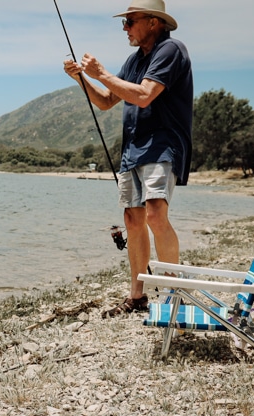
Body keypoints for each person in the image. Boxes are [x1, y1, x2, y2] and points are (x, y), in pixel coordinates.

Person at [63, 0, 192, 318]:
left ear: (153, 22)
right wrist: (82, 79)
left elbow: (145, 96)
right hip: (133, 149)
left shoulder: (170, 50)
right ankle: (138, 297)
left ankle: (174, 294)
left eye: (130, 21)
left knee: (155, 215)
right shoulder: (135, 60)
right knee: (133, 221)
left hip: (161, 145)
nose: (124, 28)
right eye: (124, 22)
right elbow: (108, 101)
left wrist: (102, 72)